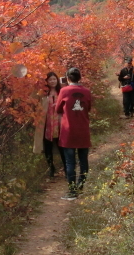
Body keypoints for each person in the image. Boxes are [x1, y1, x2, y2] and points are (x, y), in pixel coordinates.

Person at [55, 66, 92, 200]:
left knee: (70, 162)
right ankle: (80, 187)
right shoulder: (86, 91)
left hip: (68, 130)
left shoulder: (64, 91)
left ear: (68, 78)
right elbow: (88, 108)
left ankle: (72, 191)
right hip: (83, 130)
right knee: (83, 161)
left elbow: (58, 108)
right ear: (80, 77)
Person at [32, 71, 66, 177]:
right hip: (47, 124)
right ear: (47, 81)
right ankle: (51, 168)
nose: (52, 81)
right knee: (48, 147)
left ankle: (66, 168)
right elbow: (34, 101)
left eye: (54, 79)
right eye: (50, 79)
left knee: (62, 147)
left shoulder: (61, 91)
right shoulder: (43, 93)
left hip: (60, 124)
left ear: (57, 80)